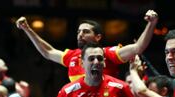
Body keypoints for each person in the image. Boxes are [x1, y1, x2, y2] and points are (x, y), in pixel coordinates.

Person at [15, 9, 158, 81]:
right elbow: (48, 52)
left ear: (98, 37)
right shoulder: (71, 56)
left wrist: (152, 24)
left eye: (85, 31)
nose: (80, 34)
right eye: (78, 32)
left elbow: (138, 47)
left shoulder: (108, 54)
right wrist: (27, 29)